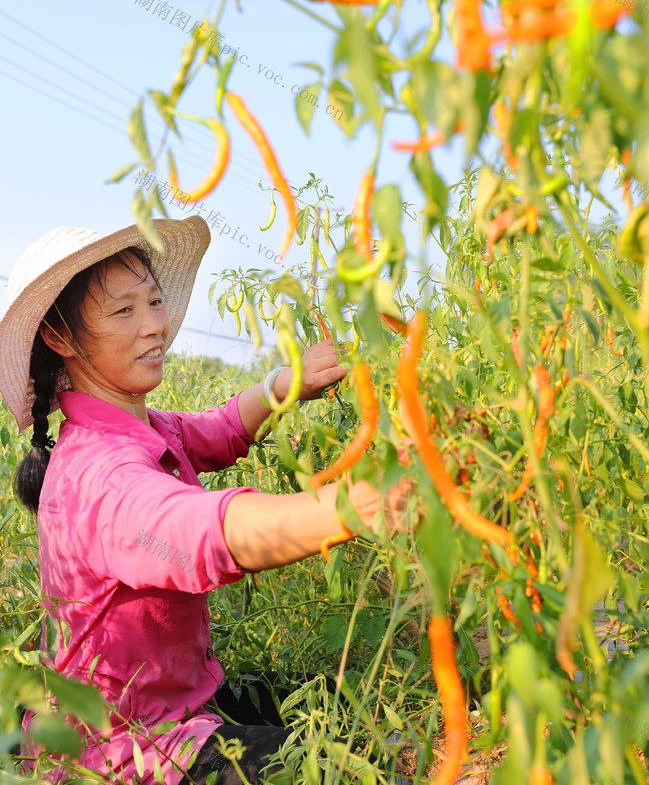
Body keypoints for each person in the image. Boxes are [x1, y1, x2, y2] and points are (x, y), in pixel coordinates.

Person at [0, 216, 412, 785]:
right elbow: (201, 530)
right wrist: (354, 505)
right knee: (351, 769)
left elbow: (218, 428)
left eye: (154, 301)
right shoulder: (99, 474)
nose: (154, 326)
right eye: (123, 311)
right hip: (128, 751)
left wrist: (286, 384)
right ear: (61, 338)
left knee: (337, 705)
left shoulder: (137, 427)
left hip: (177, 703)